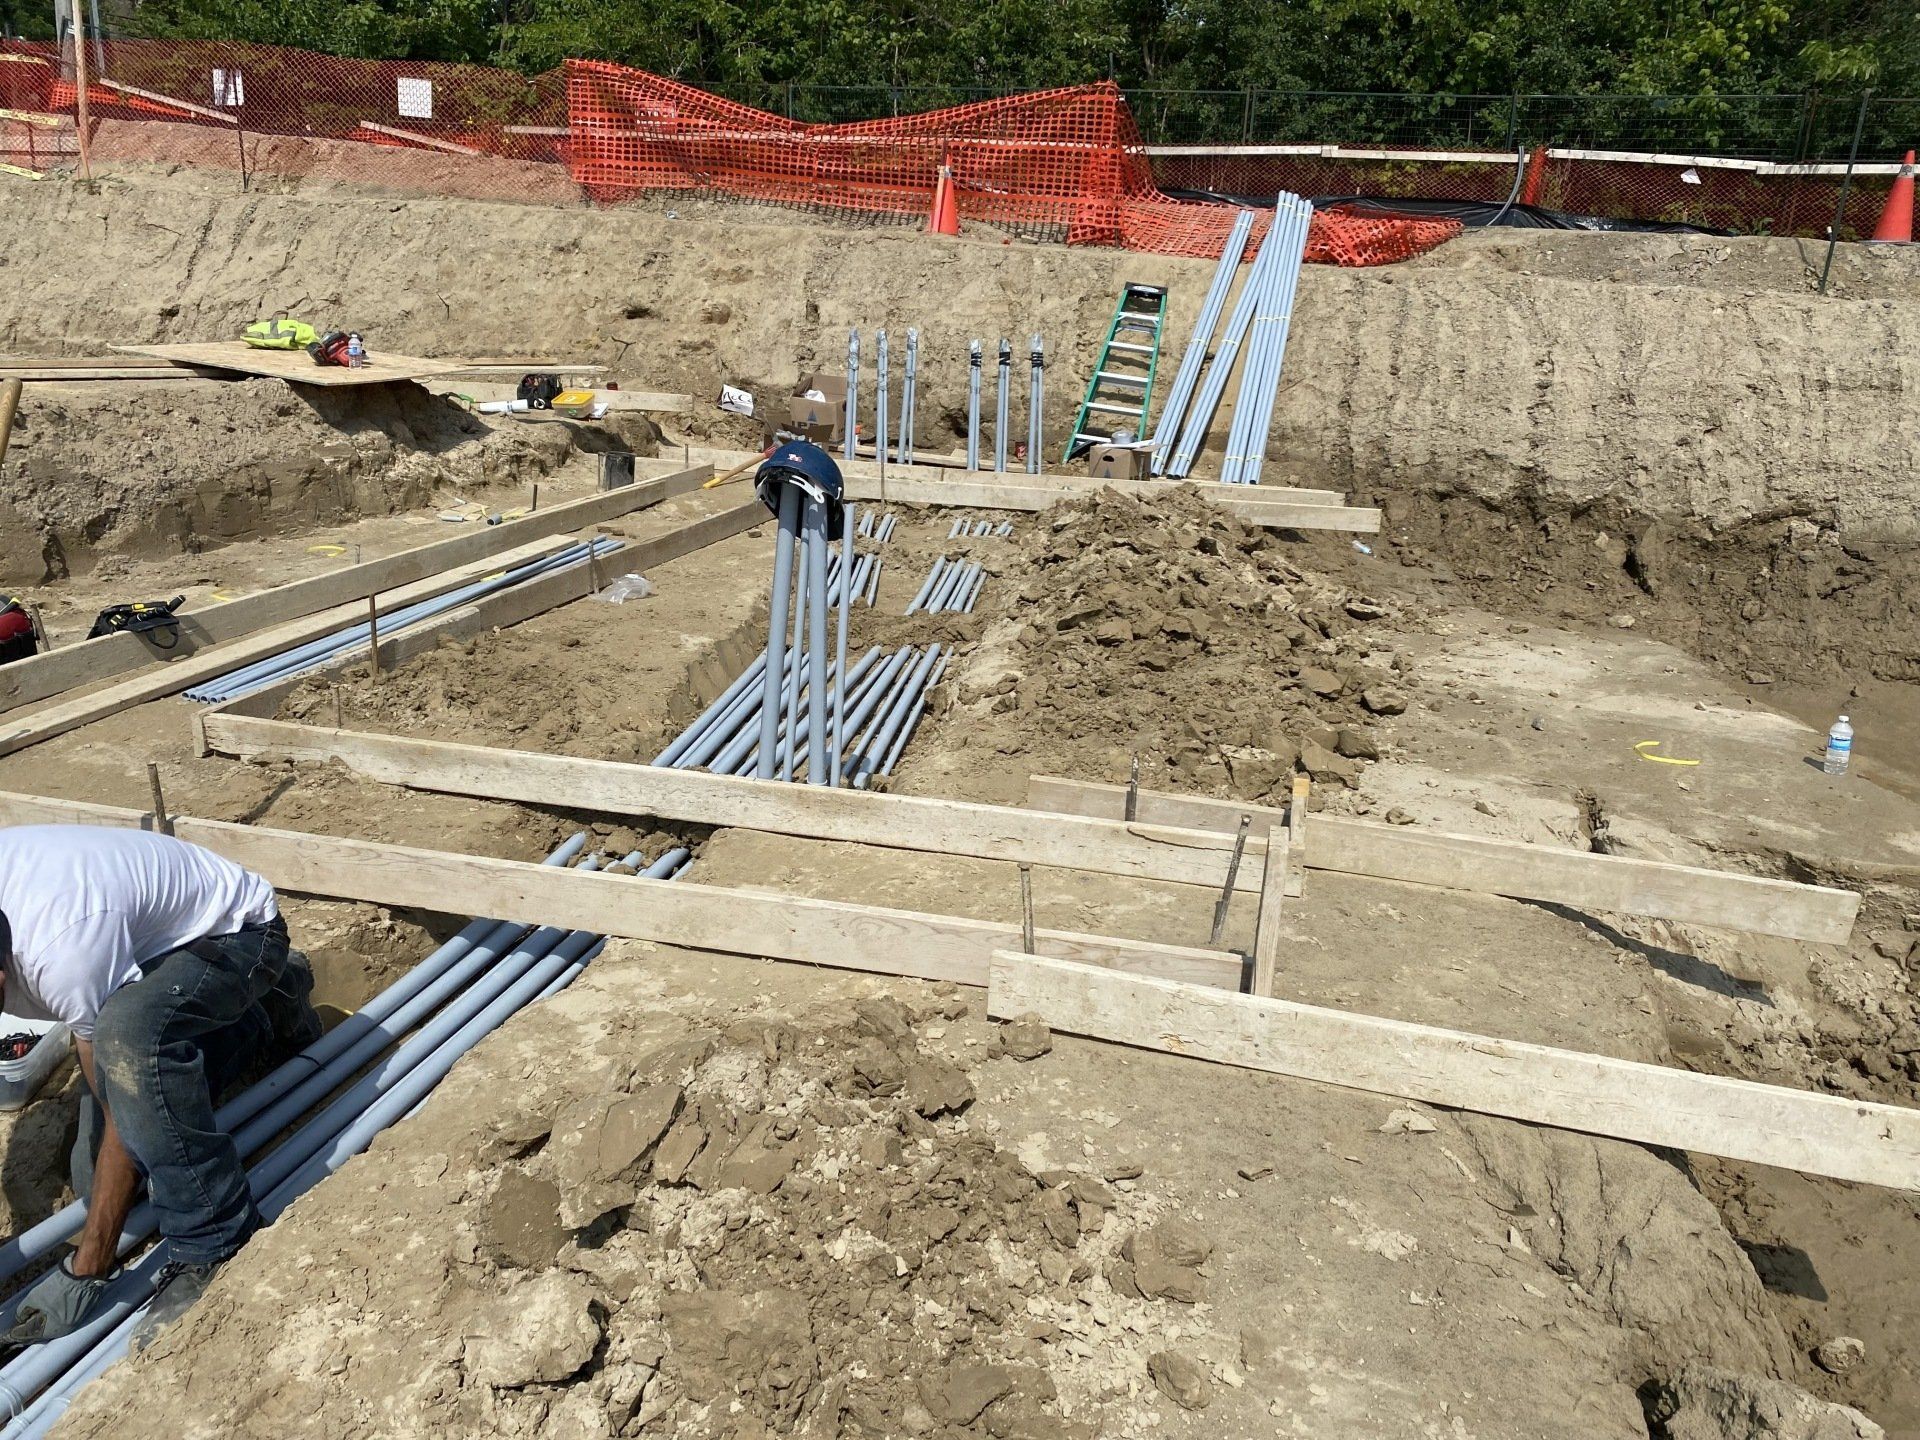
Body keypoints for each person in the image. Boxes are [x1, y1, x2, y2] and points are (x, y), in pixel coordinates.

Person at [0, 824, 321, 1349]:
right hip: (147, 934)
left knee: (130, 1041)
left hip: (237, 934)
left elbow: (118, 1089)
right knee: (92, 1181)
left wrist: (90, 1266)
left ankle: (215, 1237)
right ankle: (259, 1015)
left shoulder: (62, 954)